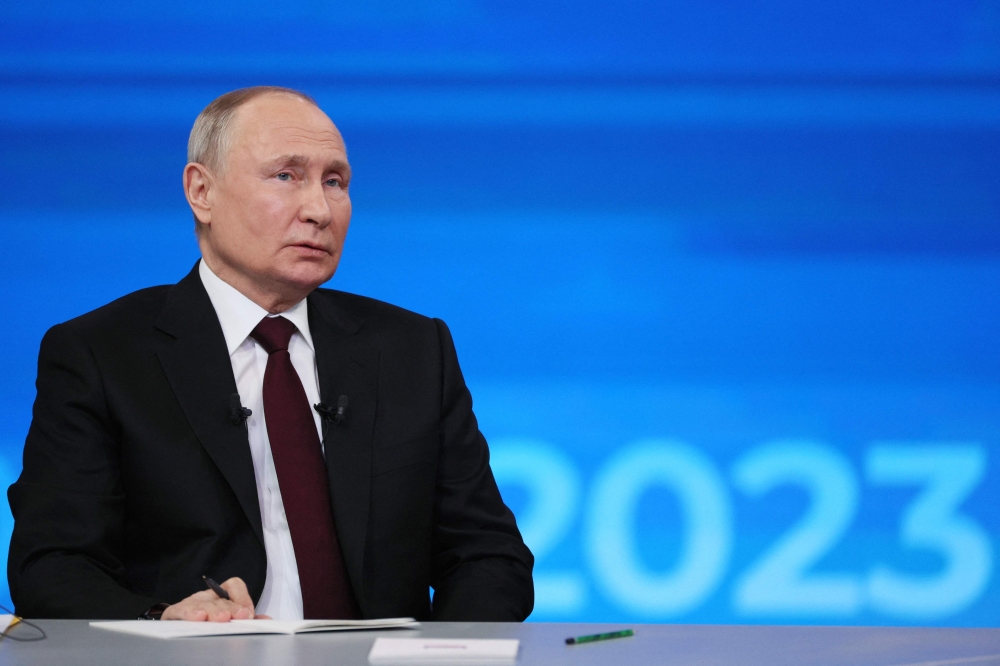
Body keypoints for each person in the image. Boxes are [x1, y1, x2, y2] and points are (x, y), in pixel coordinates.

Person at [7, 86, 534, 622]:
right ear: (201, 192)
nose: (319, 210)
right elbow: (53, 565)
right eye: (286, 176)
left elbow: (488, 556)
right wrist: (161, 619)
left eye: (336, 182)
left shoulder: (412, 349)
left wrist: (448, 656)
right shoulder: (102, 353)